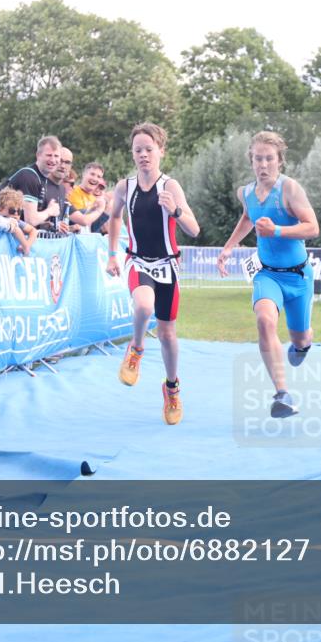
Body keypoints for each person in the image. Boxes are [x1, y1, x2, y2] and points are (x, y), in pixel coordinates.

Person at [217, 131, 320, 419]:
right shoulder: (246, 193)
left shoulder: (290, 190)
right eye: (258, 159)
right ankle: (282, 394)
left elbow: (312, 228)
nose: (263, 165)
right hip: (267, 275)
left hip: (299, 277)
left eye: (269, 159)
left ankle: (303, 345)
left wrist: (276, 230)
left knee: (300, 338)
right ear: (251, 161)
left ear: (279, 161)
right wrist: (228, 248)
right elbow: (248, 217)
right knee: (264, 320)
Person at [106, 122, 199, 425]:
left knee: (168, 333)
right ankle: (135, 349)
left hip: (167, 265)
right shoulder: (125, 187)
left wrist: (176, 211)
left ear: (161, 151)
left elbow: (194, 229)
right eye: (138, 150)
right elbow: (114, 216)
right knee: (143, 305)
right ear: (132, 154)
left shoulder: (169, 186)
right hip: (138, 261)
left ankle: (172, 389)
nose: (144, 155)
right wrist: (111, 253)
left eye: (149, 149)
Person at [2, 136, 67, 233]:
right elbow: (31, 220)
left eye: (56, 156)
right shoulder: (30, 176)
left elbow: (26, 218)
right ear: (38, 155)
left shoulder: (42, 178)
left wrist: (52, 226)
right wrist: (50, 211)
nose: (53, 160)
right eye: (49, 155)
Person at [67, 162, 109, 233]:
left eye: (99, 177)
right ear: (84, 174)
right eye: (92, 174)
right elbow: (80, 219)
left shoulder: (96, 200)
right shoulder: (72, 191)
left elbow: (98, 228)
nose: (95, 178)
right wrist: (99, 210)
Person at [0, 187, 39, 253]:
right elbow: (15, 229)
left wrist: (28, 244)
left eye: (19, 211)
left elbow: (33, 231)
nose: (16, 214)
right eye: (12, 210)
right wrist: (25, 246)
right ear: (1, 208)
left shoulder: (17, 222)